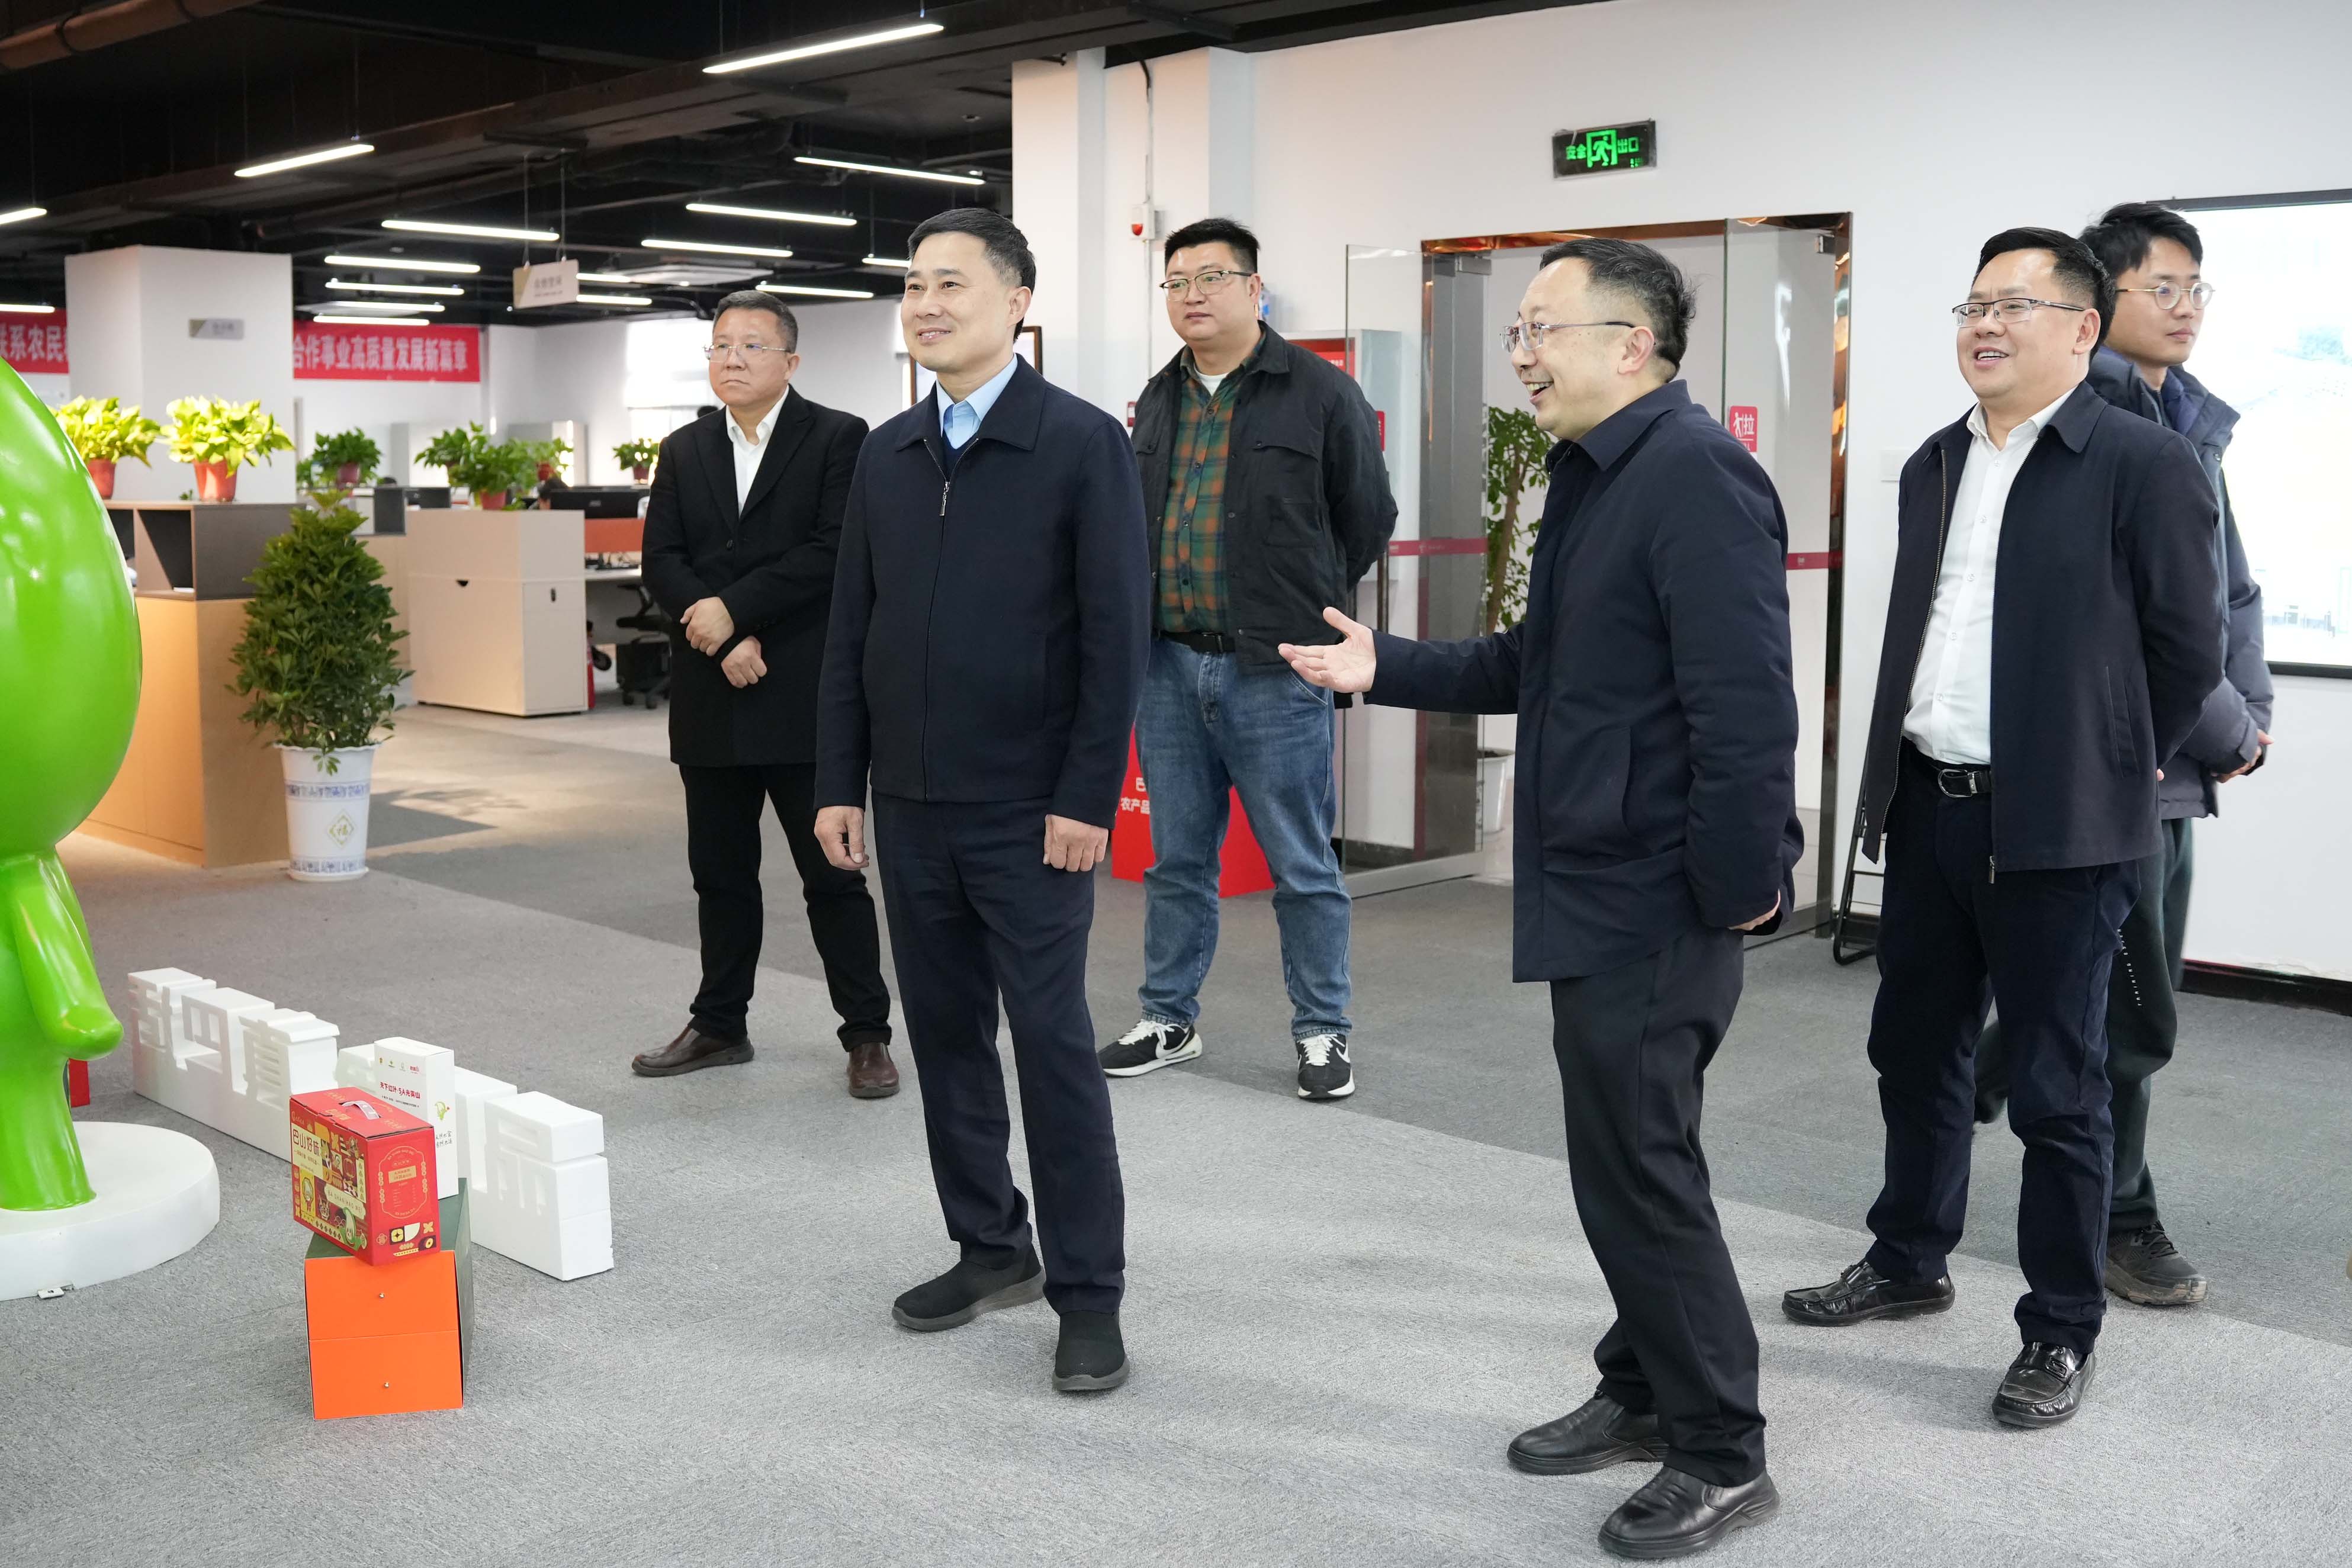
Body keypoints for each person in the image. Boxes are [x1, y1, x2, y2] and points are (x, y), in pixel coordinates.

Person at [1282, 237, 1799, 1561]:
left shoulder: (1695, 476)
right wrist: (1384, 665)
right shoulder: (1596, 472)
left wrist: (1743, 887)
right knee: (1625, 1153)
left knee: (1642, 1168)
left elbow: (1745, 709)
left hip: (1657, 889)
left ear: (1632, 344)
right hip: (1598, 872)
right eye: (1516, 330)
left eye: (1540, 329)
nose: (1520, 354)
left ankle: (1720, 1449)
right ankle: (1643, 1386)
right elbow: (1539, 661)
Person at [1783, 230, 2224, 1429]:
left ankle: (2061, 1329)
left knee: (2057, 1089)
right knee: (1913, 1050)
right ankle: (1908, 1258)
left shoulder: (2143, 462)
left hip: (2062, 830)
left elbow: (2189, 649)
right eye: (1973, 304)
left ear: (2081, 328)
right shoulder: (1936, 460)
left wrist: (2110, 760)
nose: (1984, 324)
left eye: (2014, 305)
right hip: (1930, 802)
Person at [814, 208, 1150, 1393]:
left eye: (952, 284)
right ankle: (990, 1246)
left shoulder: (1080, 443)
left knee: (1052, 1047)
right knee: (948, 1036)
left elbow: (1116, 635)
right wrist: (840, 781)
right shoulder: (888, 453)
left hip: (1030, 813)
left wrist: (1086, 795)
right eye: (914, 286)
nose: (927, 305)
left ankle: (1089, 1294)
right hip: (909, 806)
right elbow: (852, 628)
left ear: (1017, 302)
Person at [1973, 204, 2272, 1310]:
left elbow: (2230, 593)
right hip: (2120, 771)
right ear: (2100, 306)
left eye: (2198, 288)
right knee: (2127, 1013)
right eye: (2165, 287)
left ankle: (1995, 1080)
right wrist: (2229, 728)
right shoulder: (2087, 430)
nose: (2187, 307)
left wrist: (2252, 711)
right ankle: (2120, 1216)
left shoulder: (2188, 419)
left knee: (2115, 1000)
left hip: (2177, 769)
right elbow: (2141, 631)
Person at [1100, 217, 1396, 1101]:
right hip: (1167, 667)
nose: (1191, 295)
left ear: (1255, 289)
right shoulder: (1158, 396)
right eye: (1177, 281)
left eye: (1212, 277)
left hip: (1277, 667)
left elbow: (1367, 517)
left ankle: (1323, 1032)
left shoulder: (1320, 391)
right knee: (1176, 862)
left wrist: (1302, 600)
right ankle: (1169, 1017)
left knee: (1302, 865)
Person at [634, 290, 897, 1097]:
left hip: (803, 693)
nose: (733, 359)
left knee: (833, 876)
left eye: (752, 345)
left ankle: (867, 1034)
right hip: (712, 692)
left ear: (791, 360)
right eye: (721, 345)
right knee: (719, 875)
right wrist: (722, 635)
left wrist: (736, 611)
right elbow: (662, 561)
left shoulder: (838, 437)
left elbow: (834, 550)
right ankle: (720, 1023)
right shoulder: (683, 448)